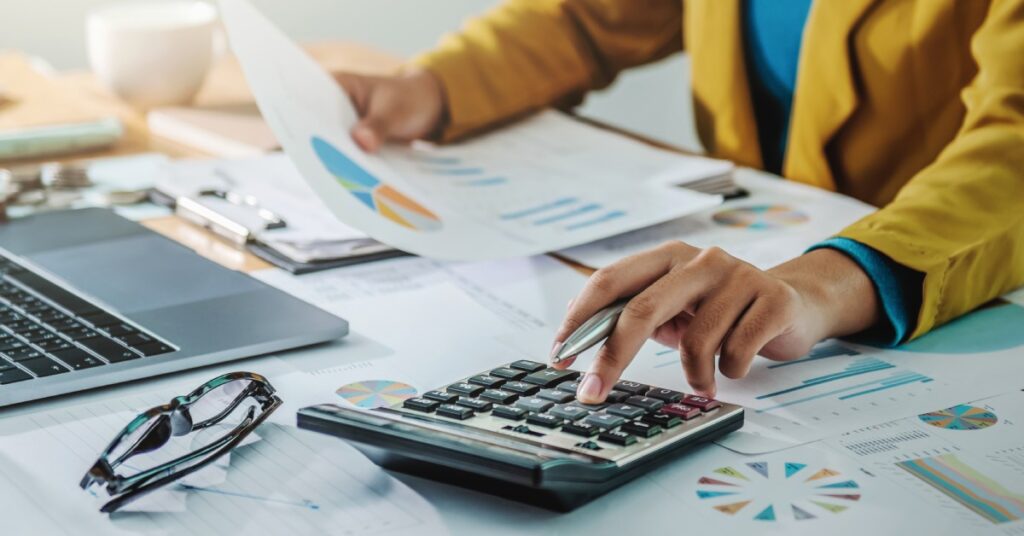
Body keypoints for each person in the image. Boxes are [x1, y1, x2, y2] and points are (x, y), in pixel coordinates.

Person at [334, 0, 1024, 404]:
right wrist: (437, 87)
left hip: (933, 286)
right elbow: (588, 17)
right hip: (749, 243)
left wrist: (819, 284)